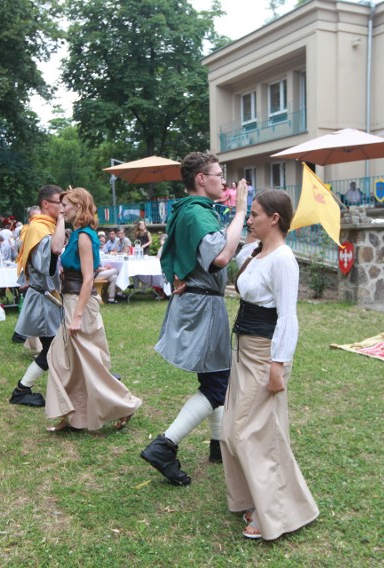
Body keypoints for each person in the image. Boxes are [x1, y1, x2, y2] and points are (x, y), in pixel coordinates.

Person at [140, 151, 247, 486]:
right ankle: (164, 446)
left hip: (198, 302)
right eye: (218, 174)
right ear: (202, 178)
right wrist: (241, 210)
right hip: (204, 308)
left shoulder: (187, 211)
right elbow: (221, 256)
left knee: (214, 378)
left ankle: (218, 445)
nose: (224, 181)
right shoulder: (199, 214)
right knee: (219, 385)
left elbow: (171, 253)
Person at [221, 190, 319, 540]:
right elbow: (236, 258)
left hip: (265, 354)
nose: (250, 220)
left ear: (274, 218)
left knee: (246, 430)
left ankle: (277, 510)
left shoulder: (283, 260)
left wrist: (278, 365)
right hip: (244, 352)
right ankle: (253, 499)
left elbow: (288, 317)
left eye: (257, 215)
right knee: (232, 427)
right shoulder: (257, 253)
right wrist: (243, 208)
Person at [44, 188, 142, 432]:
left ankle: (124, 404)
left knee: (84, 362)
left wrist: (76, 316)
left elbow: (89, 279)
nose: (62, 208)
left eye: (65, 204)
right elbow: (56, 248)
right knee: (70, 362)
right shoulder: (74, 233)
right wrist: (58, 218)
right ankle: (74, 415)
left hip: (80, 303)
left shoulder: (85, 236)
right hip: (70, 300)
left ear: (79, 207)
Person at [9, 185, 67, 407]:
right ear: (46, 204)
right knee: (52, 349)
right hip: (43, 298)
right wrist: (62, 221)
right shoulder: (40, 228)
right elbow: (48, 262)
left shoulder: (44, 227)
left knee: (57, 348)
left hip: (46, 296)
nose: (62, 208)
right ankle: (21, 390)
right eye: (59, 203)